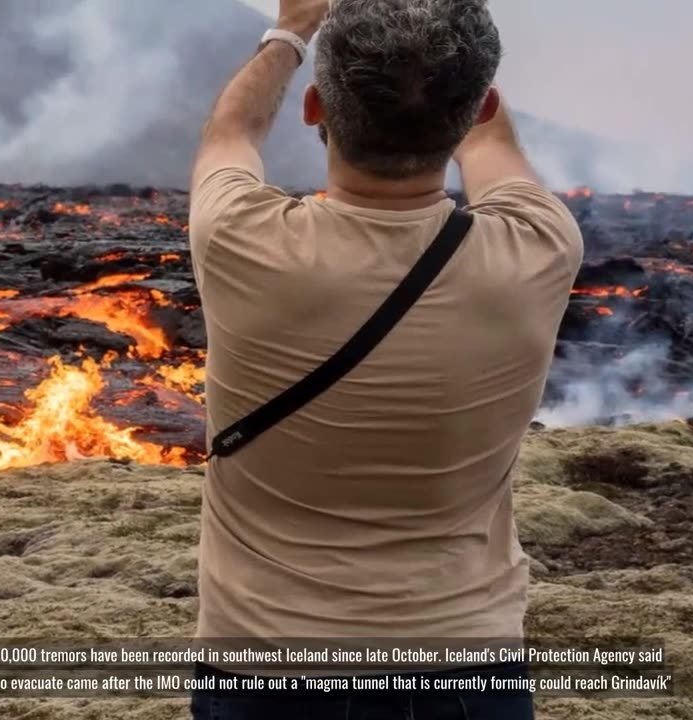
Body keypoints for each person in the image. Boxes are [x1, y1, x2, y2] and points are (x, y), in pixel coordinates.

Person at [186, 0, 582, 717]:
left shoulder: (239, 240)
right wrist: (444, 49)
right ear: (478, 105)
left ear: (315, 108)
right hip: (467, 672)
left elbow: (231, 131)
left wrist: (291, 30)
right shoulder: (538, 246)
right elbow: (492, 148)